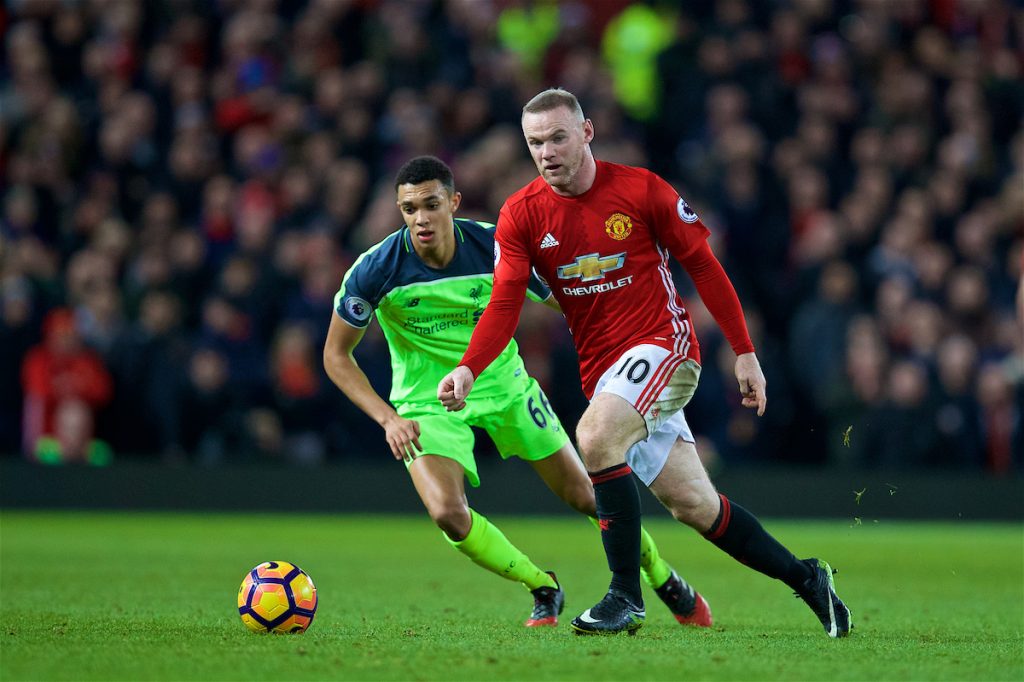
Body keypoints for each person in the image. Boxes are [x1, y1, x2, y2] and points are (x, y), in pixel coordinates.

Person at [438, 89, 852, 637]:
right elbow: (506, 302)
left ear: (586, 133)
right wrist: (469, 367)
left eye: (558, 137)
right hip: (607, 373)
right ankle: (809, 580)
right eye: (535, 142)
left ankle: (624, 597)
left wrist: (745, 352)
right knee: (695, 507)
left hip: (665, 347)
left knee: (595, 436)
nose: (547, 151)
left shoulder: (641, 189)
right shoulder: (521, 213)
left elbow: (704, 267)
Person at [324, 155, 711, 628]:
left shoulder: (495, 244)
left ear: (454, 202)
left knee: (590, 497)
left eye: (430, 204)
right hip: (427, 404)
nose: (420, 218)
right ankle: (541, 585)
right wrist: (388, 418)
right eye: (409, 209)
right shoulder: (375, 269)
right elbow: (334, 356)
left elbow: (569, 301)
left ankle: (662, 576)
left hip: (506, 387)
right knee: (448, 513)